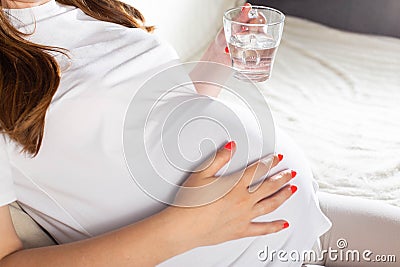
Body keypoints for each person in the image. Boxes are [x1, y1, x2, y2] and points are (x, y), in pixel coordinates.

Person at [0, 1, 397, 267]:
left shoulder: (87, 7)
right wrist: (188, 227)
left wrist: (218, 60)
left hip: (305, 226)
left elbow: (151, 117)